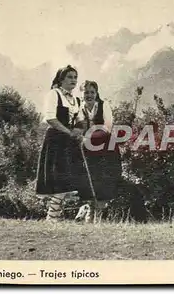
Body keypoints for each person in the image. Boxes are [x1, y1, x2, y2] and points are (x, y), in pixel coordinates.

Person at [35, 65, 87, 221]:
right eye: (70, 77)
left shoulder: (76, 100)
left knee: (71, 178)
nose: (73, 80)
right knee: (58, 178)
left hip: (70, 142)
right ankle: (52, 216)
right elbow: (51, 118)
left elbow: (81, 120)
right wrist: (68, 132)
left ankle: (54, 215)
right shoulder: (54, 94)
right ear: (61, 79)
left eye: (75, 77)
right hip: (56, 141)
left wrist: (78, 130)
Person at [74, 80, 123, 223]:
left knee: (103, 178)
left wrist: (88, 134)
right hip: (87, 148)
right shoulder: (79, 109)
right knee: (87, 178)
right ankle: (89, 210)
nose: (89, 95)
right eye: (86, 93)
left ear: (96, 93)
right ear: (82, 95)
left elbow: (107, 127)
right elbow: (78, 128)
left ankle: (100, 215)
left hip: (105, 147)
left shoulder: (103, 105)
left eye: (92, 92)